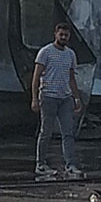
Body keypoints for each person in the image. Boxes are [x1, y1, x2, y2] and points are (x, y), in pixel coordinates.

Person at [32, 23, 84, 181]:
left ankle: (70, 165)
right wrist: (34, 98)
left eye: (66, 35)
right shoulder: (45, 52)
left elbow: (71, 78)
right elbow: (36, 76)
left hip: (65, 98)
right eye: (61, 34)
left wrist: (76, 98)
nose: (63, 37)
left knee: (68, 132)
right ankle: (40, 164)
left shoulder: (70, 54)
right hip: (48, 96)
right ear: (55, 34)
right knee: (46, 132)